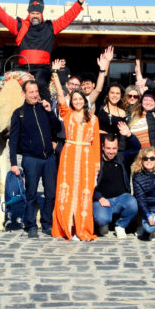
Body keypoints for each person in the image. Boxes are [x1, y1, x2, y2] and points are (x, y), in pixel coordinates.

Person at [0, 0, 92, 91]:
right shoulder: (20, 27)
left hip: (42, 69)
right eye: (32, 13)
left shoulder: (50, 27)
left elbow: (67, 18)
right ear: (29, 13)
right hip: (22, 68)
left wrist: (80, 1)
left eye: (37, 13)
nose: (35, 16)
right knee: (0, 83)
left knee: (39, 84)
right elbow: (4, 17)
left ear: (41, 14)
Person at [9, 79, 63, 238]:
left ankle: (47, 223)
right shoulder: (19, 113)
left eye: (36, 91)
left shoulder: (45, 108)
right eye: (31, 92)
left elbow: (57, 128)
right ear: (23, 94)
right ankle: (31, 224)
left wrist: (50, 112)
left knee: (51, 193)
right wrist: (13, 163)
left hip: (49, 159)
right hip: (31, 159)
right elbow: (13, 140)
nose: (34, 95)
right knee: (31, 193)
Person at [51, 69, 100, 241]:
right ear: (71, 101)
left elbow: (96, 143)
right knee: (67, 190)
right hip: (69, 156)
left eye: (80, 99)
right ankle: (67, 228)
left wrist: (96, 166)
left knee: (83, 193)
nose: (77, 101)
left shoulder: (93, 119)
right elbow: (60, 97)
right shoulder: (68, 114)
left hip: (87, 158)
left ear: (85, 101)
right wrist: (56, 76)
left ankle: (81, 228)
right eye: (75, 99)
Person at [94, 134, 139, 237]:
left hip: (121, 198)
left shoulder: (121, 157)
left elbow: (136, 149)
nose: (111, 151)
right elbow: (88, 184)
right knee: (102, 218)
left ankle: (120, 225)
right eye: (108, 148)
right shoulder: (96, 160)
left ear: (118, 147)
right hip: (102, 200)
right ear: (102, 147)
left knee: (133, 203)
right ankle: (103, 224)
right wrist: (99, 197)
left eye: (114, 148)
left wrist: (130, 136)